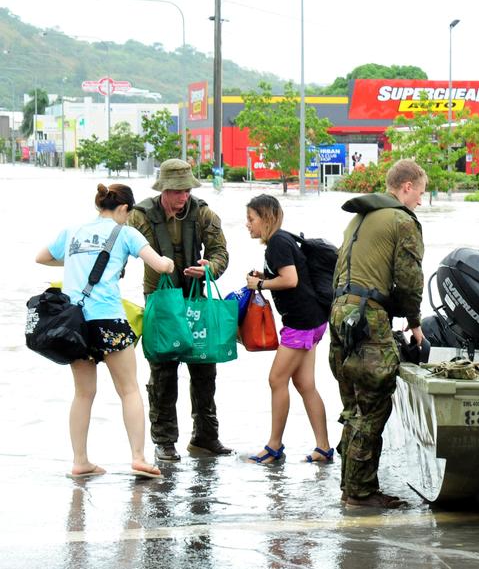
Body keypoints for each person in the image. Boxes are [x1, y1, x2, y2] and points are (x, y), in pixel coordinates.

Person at [36, 183, 175, 479]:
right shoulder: (125, 233)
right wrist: (169, 262)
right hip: (108, 319)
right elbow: (160, 265)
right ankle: (138, 458)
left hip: (74, 324)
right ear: (124, 208)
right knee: (129, 390)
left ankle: (80, 461)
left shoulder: (72, 230)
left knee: (83, 394)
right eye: (129, 212)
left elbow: (42, 257)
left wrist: (75, 261)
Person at [329, 158, 427, 508]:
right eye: (419, 193)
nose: (420, 201)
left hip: (340, 315)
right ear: (405, 187)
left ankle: (349, 487)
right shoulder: (402, 220)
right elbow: (411, 280)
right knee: (373, 405)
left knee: (353, 405)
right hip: (367, 317)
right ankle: (360, 493)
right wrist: (414, 323)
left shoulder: (360, 217)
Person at [128, 158, 231, 462]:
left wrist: (210, 267)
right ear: (163, 190)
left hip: (195, 295)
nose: (183, 196)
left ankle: (205, 437)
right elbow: (118, 247)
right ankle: (164, 440)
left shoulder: (203, 213)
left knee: (204, 366)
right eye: (176, 191)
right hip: (159, 301)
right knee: (163, 370)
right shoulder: (140, 216)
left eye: (186, 190)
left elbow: (220, 252)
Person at [242, 194, 333, 465]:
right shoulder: (283, 240)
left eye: (251, 219)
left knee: (276, 380)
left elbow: (291, 280)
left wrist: (259, 285)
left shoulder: (277, 243)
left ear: (266, 218)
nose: (247, 224)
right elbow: (290, 275)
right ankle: (324, 448)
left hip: (301, 323)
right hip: (314, 320)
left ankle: (273, 447)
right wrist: (266, 277)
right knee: (305, 384)